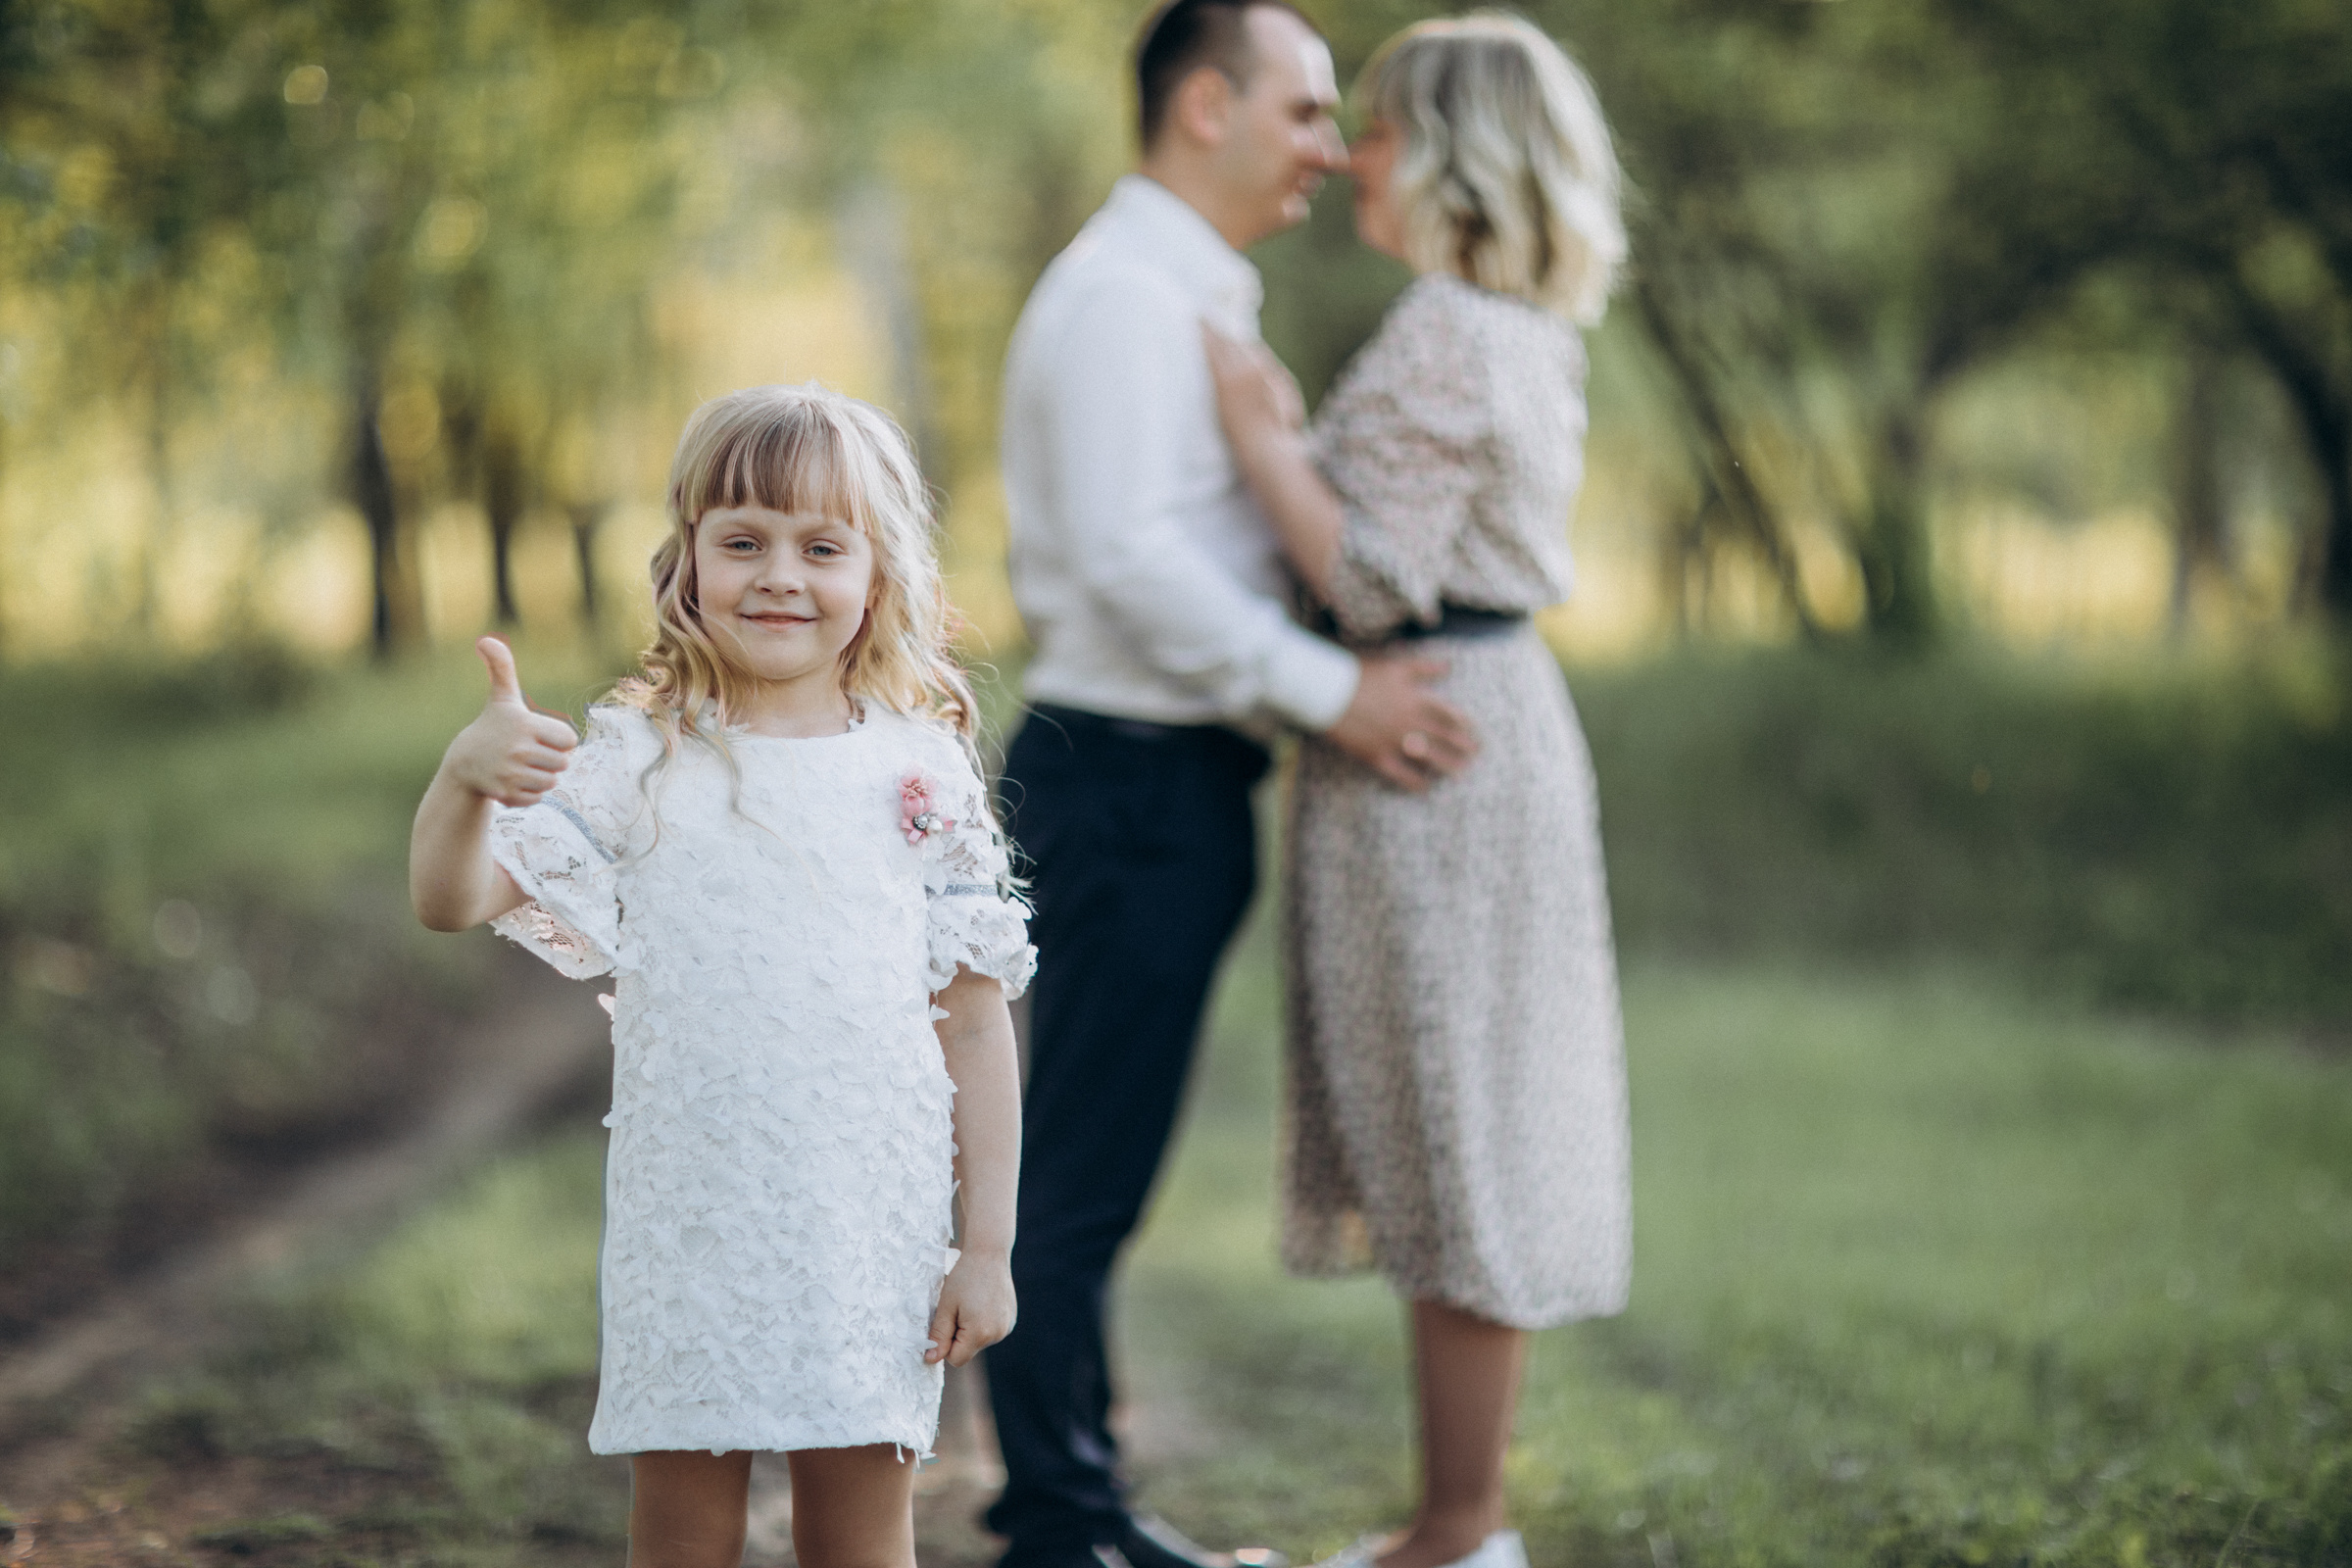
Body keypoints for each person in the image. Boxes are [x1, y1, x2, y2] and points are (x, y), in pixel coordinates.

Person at [985, 4, 1480, 1568]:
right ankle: (1065, 1527)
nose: (1332, 149)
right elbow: (1133, 559)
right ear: (1205, 107)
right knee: (1077, 1177)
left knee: (1089, 1170)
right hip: (1126, 782)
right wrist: (1337, 693)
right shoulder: (1131, 297)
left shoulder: (1177, 285)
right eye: (1308, 110)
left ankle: (1072, 1504)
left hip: (1158, 781)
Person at [408, 384, 1035, 1568]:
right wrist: (465, 782)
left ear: (878, 571)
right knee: (682, 1532)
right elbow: (454, 898)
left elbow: (975, 1021)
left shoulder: (920, 767)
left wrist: (988, 1244)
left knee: (860, 1533)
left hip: (870, 1219)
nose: (779, 575)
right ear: (686, 558)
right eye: (742, 540)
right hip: (692, 1216)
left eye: (821, 546)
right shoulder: (639, 758)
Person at [1202, 16, 1633, 1568]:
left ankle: (1460, 1536)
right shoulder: (1512, 323)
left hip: (1433, 733)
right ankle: (1457, 1525)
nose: (1350, 153)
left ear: (1449, 150)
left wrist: (1261, 441)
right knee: (1462, 1119)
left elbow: (1374, 578)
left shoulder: (1456, 325)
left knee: (1459, 1122)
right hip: (1474, 719)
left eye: (1376, 126)